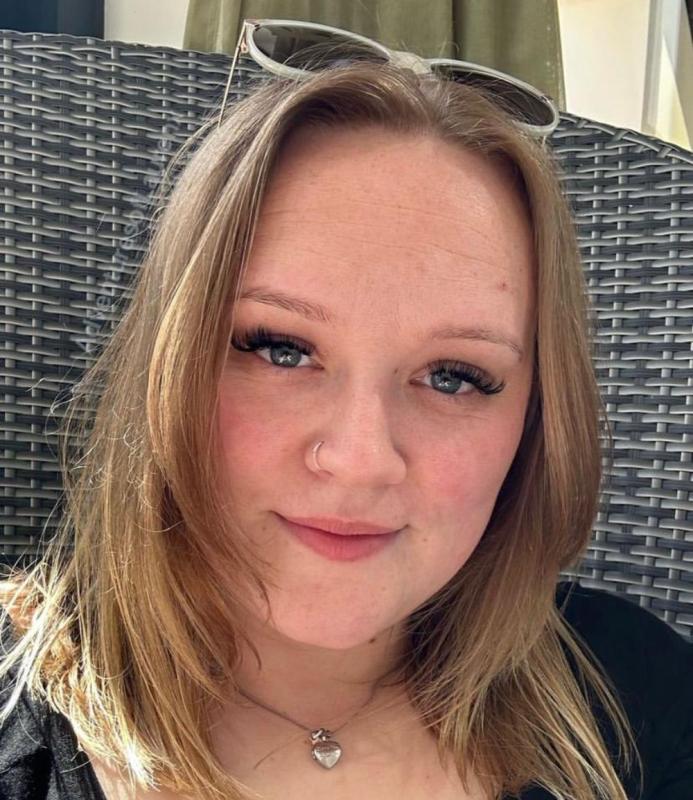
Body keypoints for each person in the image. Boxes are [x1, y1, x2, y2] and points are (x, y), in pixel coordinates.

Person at [0, 45, 691, 800]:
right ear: (167, 363)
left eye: (454, 376)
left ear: (534, 422)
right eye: (280, 349)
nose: (361, 459)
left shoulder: (640, 696)